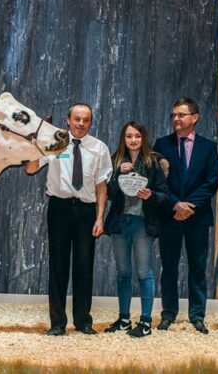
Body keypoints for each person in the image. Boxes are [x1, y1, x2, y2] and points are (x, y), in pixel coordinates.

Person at [25, 103, 112, 336]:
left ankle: (83, 321)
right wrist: (34, 146)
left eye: (85, 120)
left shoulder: (99, 148)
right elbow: (31, 169)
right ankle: (57, 323)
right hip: (59, 208)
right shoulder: (55, 143)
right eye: (77, 119)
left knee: (84, 267)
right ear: (68, 120)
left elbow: (102, 185)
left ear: (91, 123)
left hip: (86, 210)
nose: (81, 124)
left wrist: (99, 217)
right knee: (58, 266)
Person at [153, 98, 218, 334]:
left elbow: (211, 183)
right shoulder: (162, 144)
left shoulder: (208, 147)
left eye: (181, 115)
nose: (176, 119)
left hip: (197, 217)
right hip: (170, 215)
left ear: (195, 117)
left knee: (198, 268)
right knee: (168, 268)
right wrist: (175, 204)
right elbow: (158, 181)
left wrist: (189, 206)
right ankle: (168, 313)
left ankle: (197, 315)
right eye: (173, 115)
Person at [103, 122, 169, 338]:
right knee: (123, 273)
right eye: (129, 136)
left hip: (142, 222)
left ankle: (146, 322)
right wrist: (116, 175)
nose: (133, 140)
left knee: (144, 273)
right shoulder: (115, 160)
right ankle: (124, 320)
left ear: (143, 138)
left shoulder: (153, 161)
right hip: (120, 222)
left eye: (137, 136)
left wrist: (151, 195)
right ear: (123, 138)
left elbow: (164, 195)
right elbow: (108, 193)